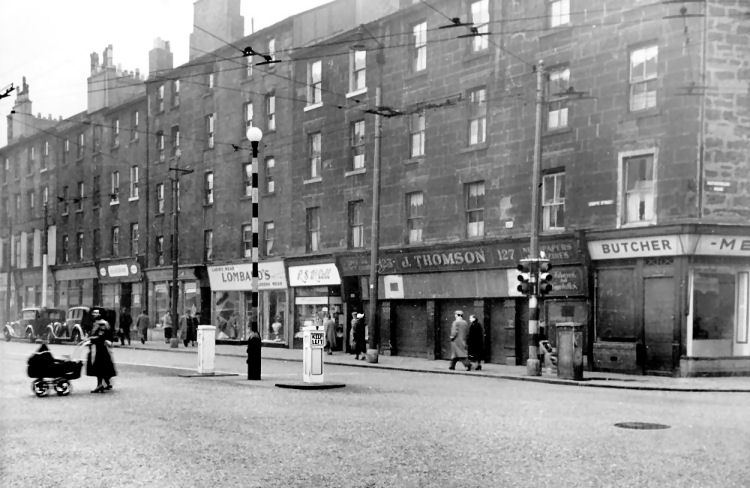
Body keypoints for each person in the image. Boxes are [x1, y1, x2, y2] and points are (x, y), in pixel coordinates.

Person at [86, 309, 117, 393]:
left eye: (96, 314)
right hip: (98, 348)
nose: (94, 315)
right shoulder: (97, 323)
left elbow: (101, 336)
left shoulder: (102, 323)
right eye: (94, 314)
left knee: (99, 367)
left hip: (100, 349)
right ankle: (104, 383)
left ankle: (100, 384)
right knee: (102, 367)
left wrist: (92, 340)